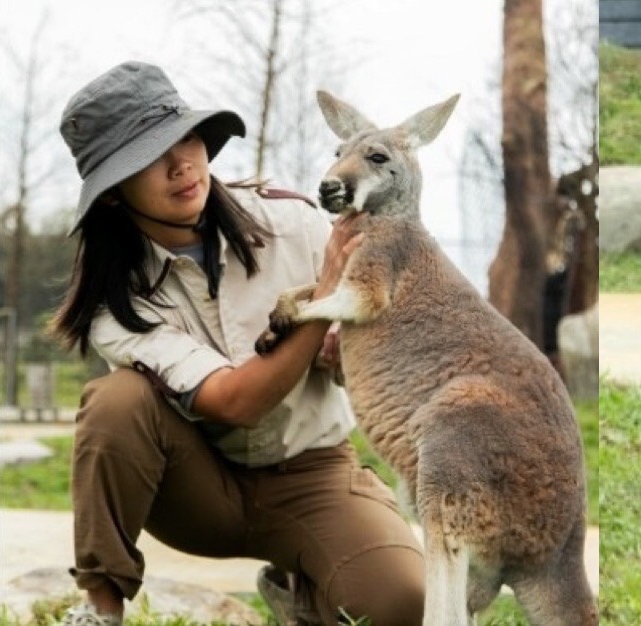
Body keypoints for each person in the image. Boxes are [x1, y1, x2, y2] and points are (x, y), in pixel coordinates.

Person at [48, 61, 425, 626]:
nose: (180, 164)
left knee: (403, 604)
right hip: (199, 487)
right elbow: (236, 403)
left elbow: (386, 349)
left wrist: (347, 349)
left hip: (315, 473)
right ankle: (101, 607)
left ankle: (301, 590)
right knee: (116, 402)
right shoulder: (115, 305)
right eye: (148, 157)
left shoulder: (295, 223)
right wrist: (320, 306)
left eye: (186, 138)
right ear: (110, 194)